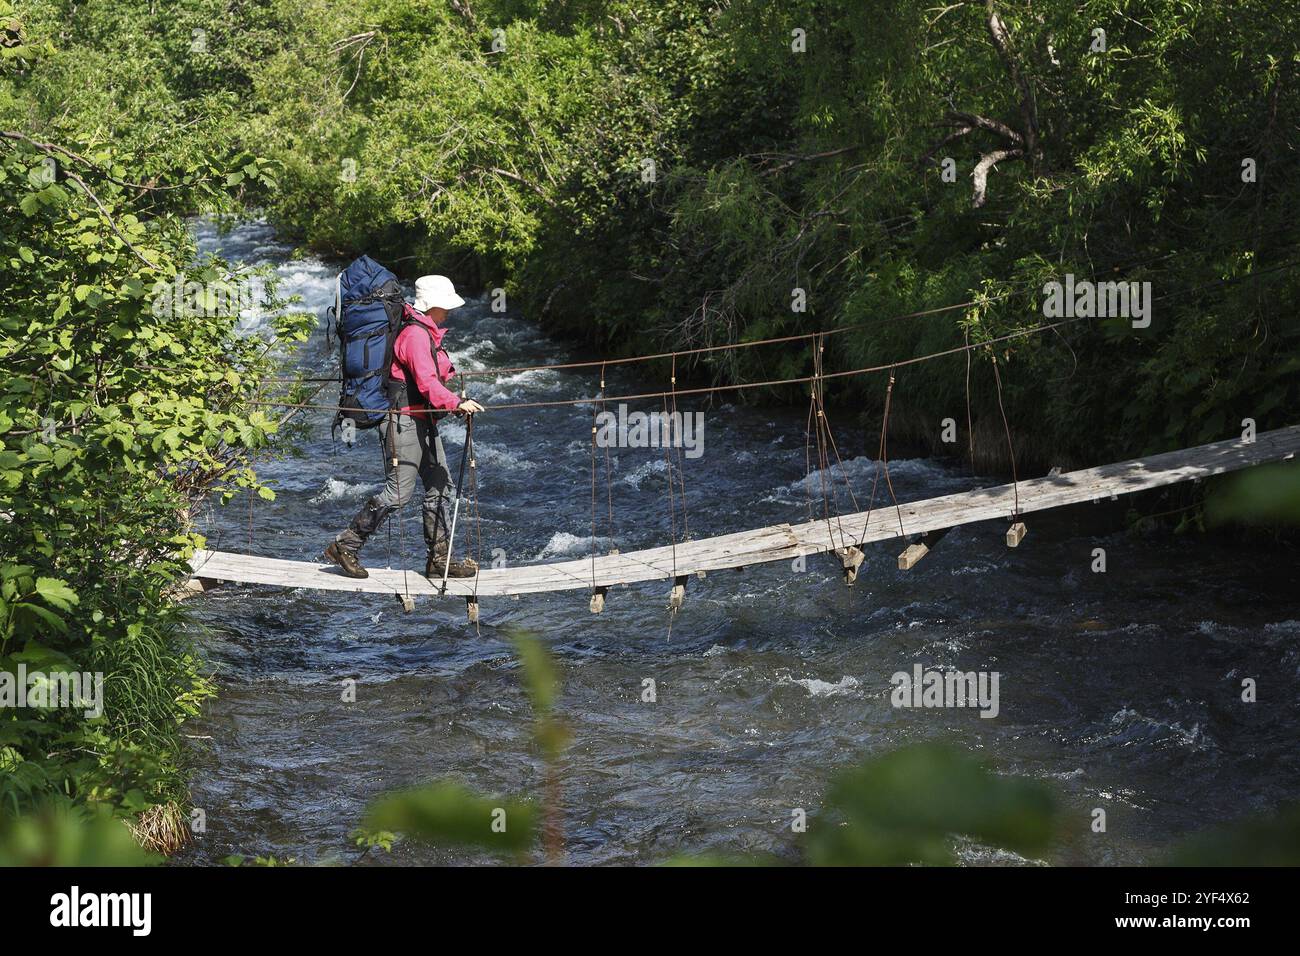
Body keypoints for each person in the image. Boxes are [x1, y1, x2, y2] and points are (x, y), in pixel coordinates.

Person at [324, 275, 484, 580]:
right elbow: (425, 382)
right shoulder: (414, 335)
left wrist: (453, 400)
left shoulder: (427, 332)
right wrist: (455, 404)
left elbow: (432, 381)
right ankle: (345, 545)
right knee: (398, 493)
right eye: (445, 304)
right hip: (402, 421)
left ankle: (439, 559)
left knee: (441, 485)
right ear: (432, 304)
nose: (449, 310)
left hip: (421, 419)